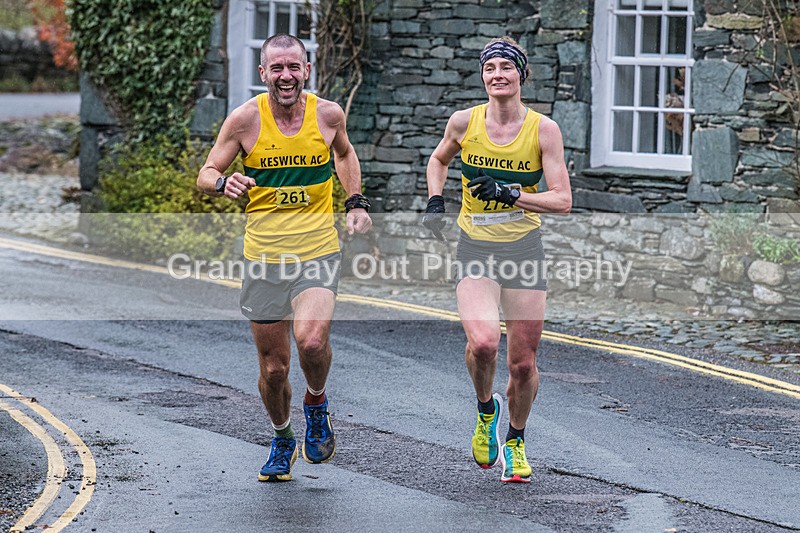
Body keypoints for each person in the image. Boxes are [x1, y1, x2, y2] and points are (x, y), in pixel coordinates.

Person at [197, 34, 372, 482]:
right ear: (263, 74)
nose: (286, 76)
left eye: (293, 67)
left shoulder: (328, 115)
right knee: (274, 370)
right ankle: (282, 436)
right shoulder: (244, 122)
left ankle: (316, 402)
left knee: (311, 342)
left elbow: (345, 155)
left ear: (306, 70)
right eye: (276, 68)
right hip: (264, 258)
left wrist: (355, 203)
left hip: (317, 250)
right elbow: (206, 173)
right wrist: (223, 184)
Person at [423, 37, 571, 483]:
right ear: (482, 76)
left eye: (507, 67)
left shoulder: (543, 130)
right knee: (484, 343)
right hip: (475, 249)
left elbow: (563, 200)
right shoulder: (464, 122)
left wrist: (513, 195)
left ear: (521, 76)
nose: (498, 74)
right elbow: (438, 159)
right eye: (490, 68)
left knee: (522, 364)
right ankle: (487, 410)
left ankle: (516, 439)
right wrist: (435, 201)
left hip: (524, 251)